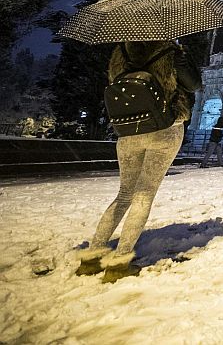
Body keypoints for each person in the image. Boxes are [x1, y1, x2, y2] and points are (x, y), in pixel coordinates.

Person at [76, 41, 202, 282]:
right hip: (165, 127)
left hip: (129, 129)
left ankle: (91, 256)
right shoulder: (170, 51)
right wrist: (182, 56)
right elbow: (193, 85)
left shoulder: (120, 52)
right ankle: (120, 262)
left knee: (124, 194)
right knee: (144, 195)